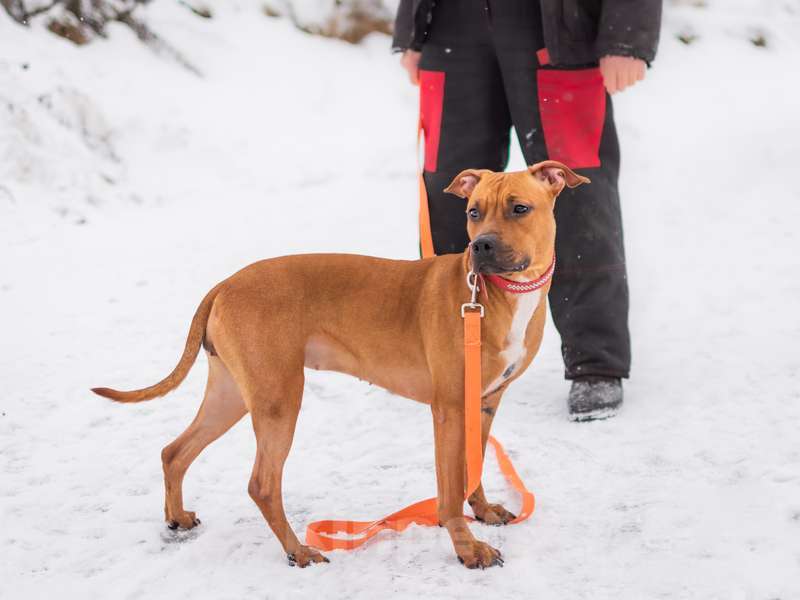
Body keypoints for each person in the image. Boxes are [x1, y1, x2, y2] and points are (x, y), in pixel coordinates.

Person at [392, 0, 661, 421]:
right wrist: (413, 28)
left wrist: (627, 36)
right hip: (454, 28)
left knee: (577, 195)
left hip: (557, 28)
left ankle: (595, 364)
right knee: (452, 194)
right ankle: (444, 354)